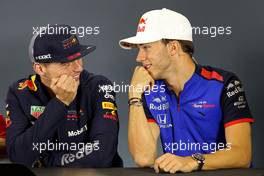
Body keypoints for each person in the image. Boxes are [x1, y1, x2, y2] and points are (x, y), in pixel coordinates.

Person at [119, 8, 254, 173]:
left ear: (173, 48)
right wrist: (134, 96)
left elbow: (242, 154)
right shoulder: (150, 90)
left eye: (146, 47)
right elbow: (143, 157)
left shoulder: (224, 84)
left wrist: (193, 160)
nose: (139, 57)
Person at [5, 24, 122, 167]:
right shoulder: (20, 92)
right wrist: (60, 102)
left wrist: (47, 162)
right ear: (40, 68)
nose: (78, 67)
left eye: (78, 57)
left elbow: (102, 155)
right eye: (65, 62)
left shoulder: (99, 86)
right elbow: (19, 157)